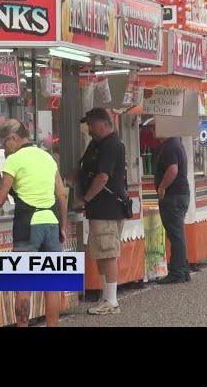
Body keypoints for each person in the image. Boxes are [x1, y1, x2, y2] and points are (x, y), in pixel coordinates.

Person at [0, 119, 68, 327]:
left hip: (27, 226)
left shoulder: (13, 160)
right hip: (51, 223)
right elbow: (62, 195)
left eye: (4, 144)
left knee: (23, 285)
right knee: (52, 285)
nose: (5, 149)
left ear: (13, 138)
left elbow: (0, 198)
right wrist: (63, 227)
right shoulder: (48, 157)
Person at [76, 108, 127, 315]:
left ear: (103, 124)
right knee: (101, 253)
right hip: (99, 209)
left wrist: (85, 198)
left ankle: (112, 300)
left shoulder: (111, 145)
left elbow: (103, 177)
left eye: (90, 124)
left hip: (107, 208)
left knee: (108, 253)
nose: (88, 129)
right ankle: (107, 296)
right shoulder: (96, 144)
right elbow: (82, 168)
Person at [154, 136, 191, 284]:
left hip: (173, 195)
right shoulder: (178, 143)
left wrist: (162, 187)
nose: (154, 130)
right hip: (181, 194)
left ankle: (177, 272)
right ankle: (182, 269)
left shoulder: (169, 146)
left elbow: (172, 169)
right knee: (178, 235)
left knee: (176, 235)